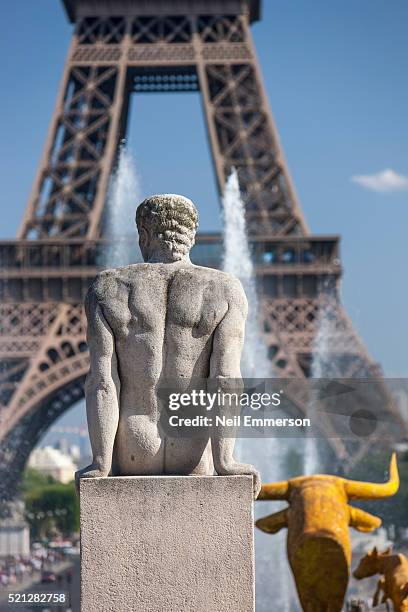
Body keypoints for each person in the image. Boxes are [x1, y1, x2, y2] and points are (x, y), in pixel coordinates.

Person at [76, 194, 260, 497]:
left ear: (144, 235)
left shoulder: (108, 287)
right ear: (192, 235)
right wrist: (225, 461)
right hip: (192, 451)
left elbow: (102, 382)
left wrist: (100, 463)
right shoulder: (225, 289)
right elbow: (226, 379)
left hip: (133, 447)